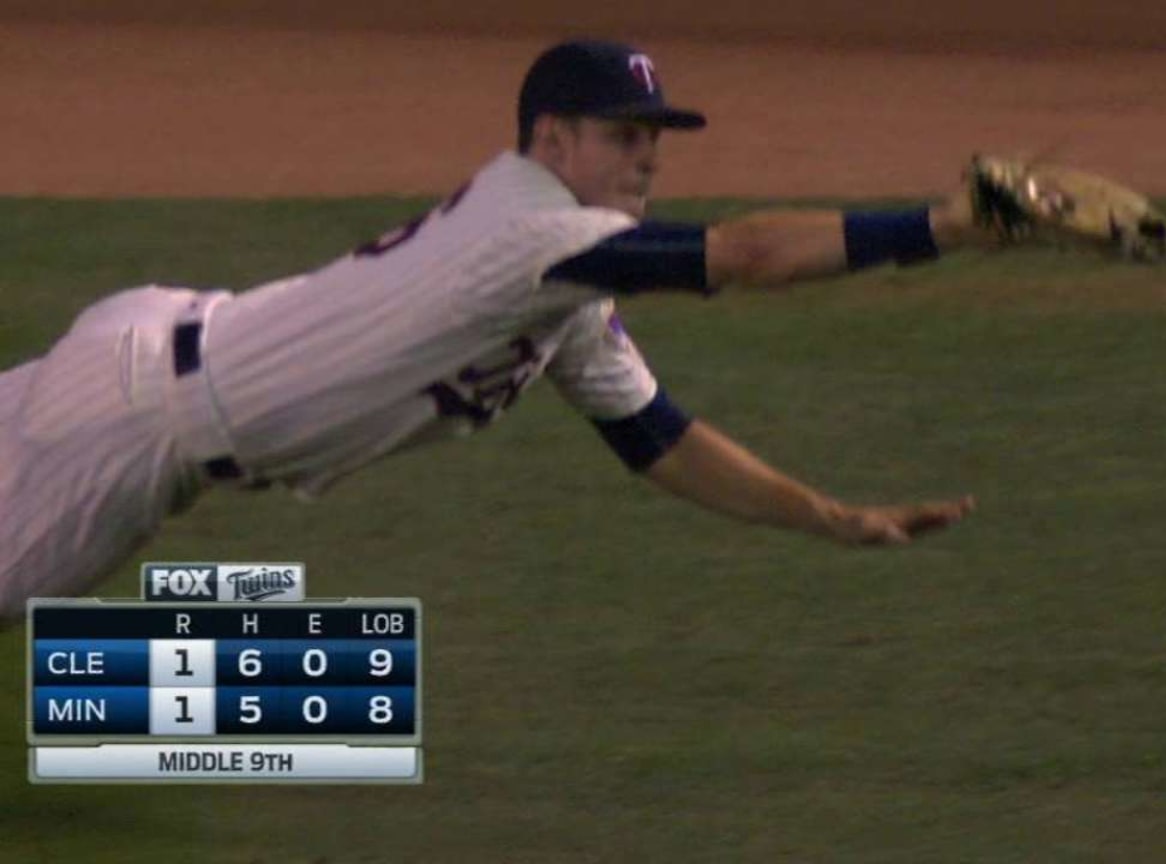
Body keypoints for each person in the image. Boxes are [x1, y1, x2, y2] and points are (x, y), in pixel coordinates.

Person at [0, 39, 998, 625]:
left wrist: (829, 517)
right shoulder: (536, 234)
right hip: (130, 434)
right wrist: (937, 229)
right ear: (551, 139)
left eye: (653, 142)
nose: (645, 162)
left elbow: (658, 441)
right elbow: (742, 258)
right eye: (621, 138)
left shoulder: (560, 284)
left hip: (150, 347)